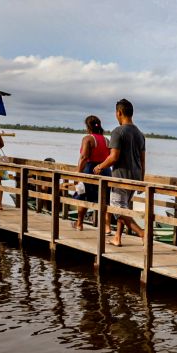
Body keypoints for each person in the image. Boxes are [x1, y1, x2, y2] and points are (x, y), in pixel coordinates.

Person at [93, 99, 145, 246]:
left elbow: (114, 157)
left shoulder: (118, 131)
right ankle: (117, 238)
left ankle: (142, 233)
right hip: (135, 177)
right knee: (124, 208)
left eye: (116, 112)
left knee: (117, 209)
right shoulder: (140, 134)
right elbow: (143, 160)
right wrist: (141, 180)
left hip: (121, 177)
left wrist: (99, 167)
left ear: (119, 112)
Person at [73, 115, 111, 230]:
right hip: (105, 170)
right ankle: (107, 227)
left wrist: (77, 174)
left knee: (83, 196)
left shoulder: (88, 139)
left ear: (88, 127)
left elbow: (84, 157)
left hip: (90, 170)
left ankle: (79, 224)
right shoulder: (106, 140)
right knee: (104, 199)